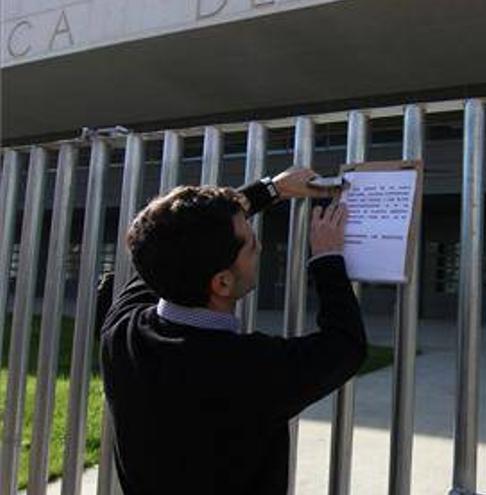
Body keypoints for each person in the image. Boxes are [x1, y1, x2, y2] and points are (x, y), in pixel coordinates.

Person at [100, 169, 367, 495]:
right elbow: (345, 345)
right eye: (252, 244)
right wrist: (327, 258)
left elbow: (174, 236)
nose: (260, 246)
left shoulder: (121, 333)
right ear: (222, 282)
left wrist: (272, 189)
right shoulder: (247, 368)